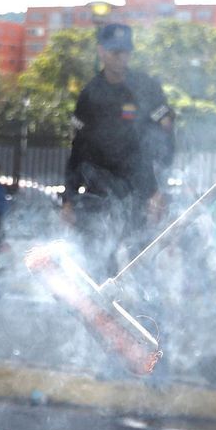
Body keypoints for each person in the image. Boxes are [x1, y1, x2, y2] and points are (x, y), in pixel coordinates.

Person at [62, 23, 175, 272]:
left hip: (140, 191)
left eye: (126, 52)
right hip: (98, 191)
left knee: (139, 263)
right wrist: (68, 199)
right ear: (101, 51)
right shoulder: (89, 95)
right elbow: (77, 149)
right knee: (97, 261)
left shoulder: (146, 87)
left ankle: (140, 310)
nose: (122, 58)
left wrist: (159, 190)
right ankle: (100, 309)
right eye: (115, 52)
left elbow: (167, 139)